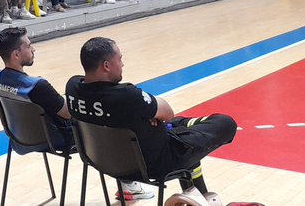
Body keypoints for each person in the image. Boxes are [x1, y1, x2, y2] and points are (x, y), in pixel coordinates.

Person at [65, 37, 239, 204]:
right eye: (120, 59)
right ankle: (199, 193)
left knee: (176, 125)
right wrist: (150, 115)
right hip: (153, 163)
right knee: (225, 123)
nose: (123, 64)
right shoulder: (126, 96)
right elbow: (167, 112)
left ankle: (199, 196)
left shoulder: (72, 87)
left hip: (102, 160)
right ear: (106, 66)